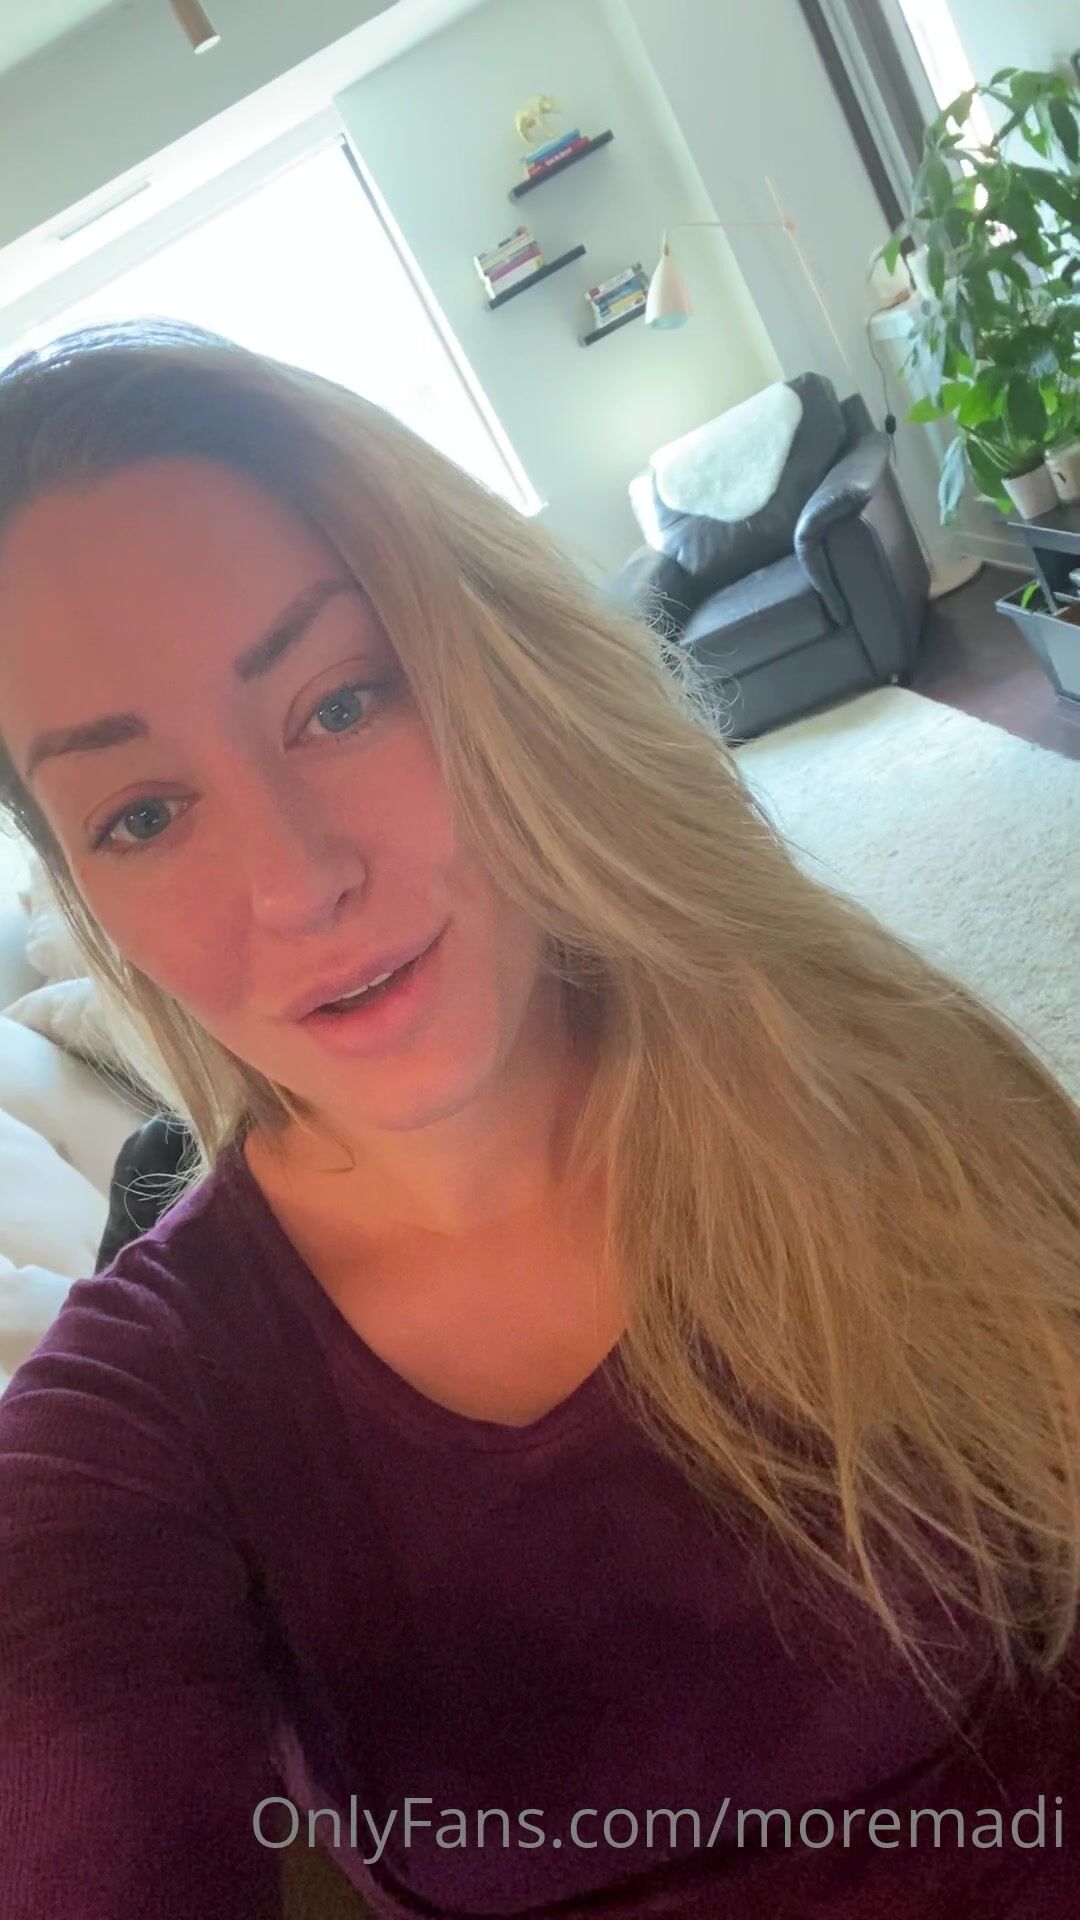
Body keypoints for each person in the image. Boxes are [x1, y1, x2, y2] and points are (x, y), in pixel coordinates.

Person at [0, 320, 1077, 1920]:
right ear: (87, 893)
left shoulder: (841, 1032)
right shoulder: (140, 1430)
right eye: (142, 813)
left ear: (487, 670)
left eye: (341, 702)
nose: (300, 883)